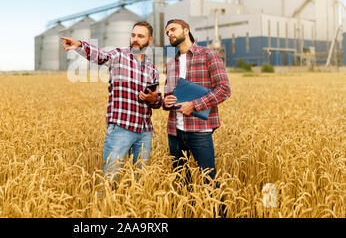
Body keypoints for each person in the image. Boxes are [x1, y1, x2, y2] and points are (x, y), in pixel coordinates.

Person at [60, 21, 162, 182]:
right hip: (121, 128)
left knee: (140, 181)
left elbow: (158, 101)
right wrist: (79, 44)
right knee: (109, 179)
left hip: (145, 131)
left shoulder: (152, 68)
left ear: (150, 41)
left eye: (141, 36)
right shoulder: (118, 56)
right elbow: (99, 55)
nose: (135, 39)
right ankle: (103, 206)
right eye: (133, 35)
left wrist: (154, 99)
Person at [162, 19, 231, 187]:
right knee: (181, 183)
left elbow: (224, 89)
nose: (170, 34)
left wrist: (195, 105)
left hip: (200, 131)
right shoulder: (171, 63)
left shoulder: (209, 55)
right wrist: (167, 101)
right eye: (167, 33)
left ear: (186, 30)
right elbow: (167, 95)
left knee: (209, 181)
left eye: (173, 29)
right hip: (175, 132)